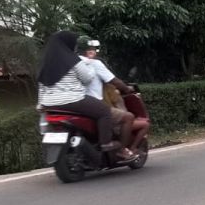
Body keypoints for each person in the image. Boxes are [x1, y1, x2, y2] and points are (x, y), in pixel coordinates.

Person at [37, 31, 134, 160]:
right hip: (73, 100)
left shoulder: (45, 64)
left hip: (49, 104)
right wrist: (90, 65)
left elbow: (41, 86)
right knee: (104, 111)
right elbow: (87, 79)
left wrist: (41, 104)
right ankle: (106, 143)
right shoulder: (73, 60)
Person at [81, 39, 139, 155]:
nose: (93, 52)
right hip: (93, 104)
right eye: (91, 50)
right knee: (128, 117)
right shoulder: (95, 64)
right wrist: (127, 89)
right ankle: (122, 150)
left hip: (75, 103)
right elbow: (114, 81)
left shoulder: (72, 63)